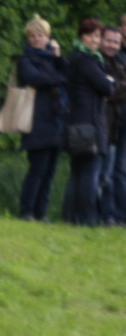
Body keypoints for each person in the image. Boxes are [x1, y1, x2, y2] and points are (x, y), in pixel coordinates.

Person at [62, 18, 115, 226]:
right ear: (81, 37)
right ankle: (88, 217)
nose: (94, 40)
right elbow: (106, 87)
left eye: (97, 36)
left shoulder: (76, 58)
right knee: (89, 173)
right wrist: (109, 81)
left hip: (78, 123)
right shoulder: (86, 61)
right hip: (89, 125)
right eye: (90, 36)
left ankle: (70, 216)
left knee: (78, 172)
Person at [15, 14, 67, 222]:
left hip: (57, 121)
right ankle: (27, 211)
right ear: (28, 38)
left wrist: (58, 56)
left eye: (40, 35)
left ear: (48, 37)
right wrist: (59, 79)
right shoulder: (25, 60)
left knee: (50, 172)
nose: (37, 39)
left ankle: (41, 212)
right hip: (36, 121)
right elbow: (35, 78)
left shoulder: (54, 60)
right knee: (37, 169)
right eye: (32, 36)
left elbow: (68, 74)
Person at [98, 26, 126, 224]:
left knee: (120, 171)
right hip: (107, 122)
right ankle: (106, 214)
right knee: (106, 172)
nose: (112, 45)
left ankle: (118, 215)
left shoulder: (118, 61)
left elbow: (115, 87)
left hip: (118, 122)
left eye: (116, 42)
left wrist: (117, 86)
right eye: (109, 41)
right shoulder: (100, 61)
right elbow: (109, 90)